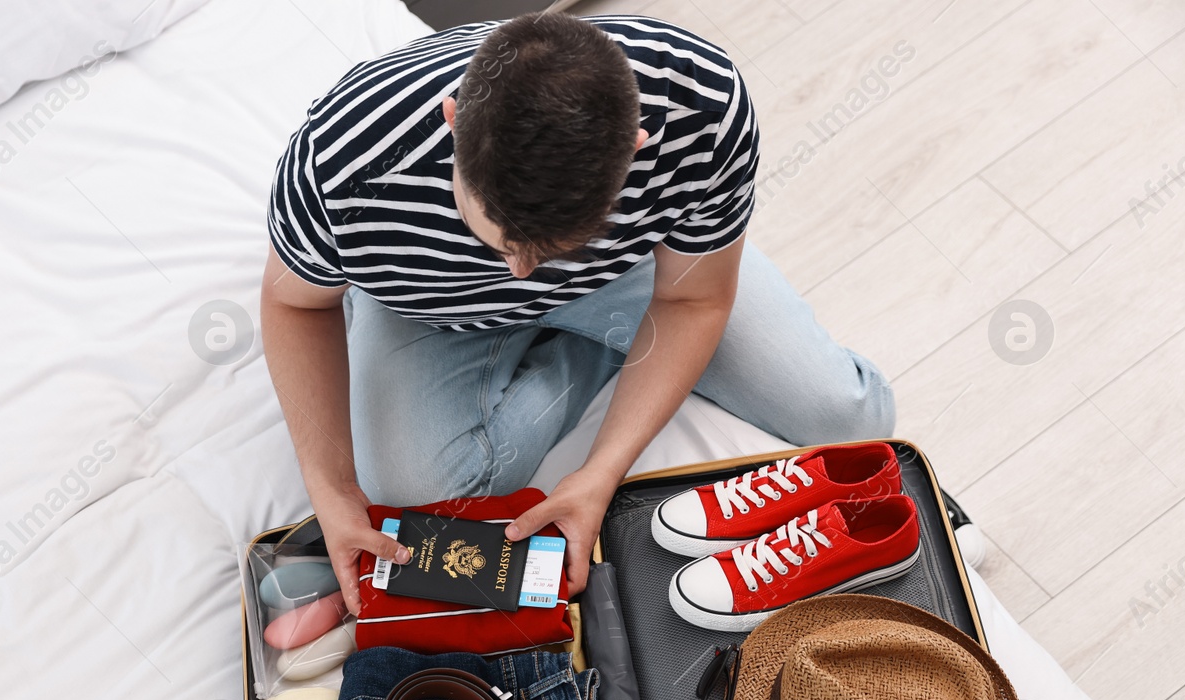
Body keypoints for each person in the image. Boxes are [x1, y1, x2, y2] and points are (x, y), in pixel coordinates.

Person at [260, 13, 895, 616]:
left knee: (849, 417)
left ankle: (619, 332)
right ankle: (608, 348)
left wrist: (602, 470)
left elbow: (691, 298)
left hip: (638, 276)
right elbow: (292, 306)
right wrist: (334, 490)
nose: (520, 274)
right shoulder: (344, 160)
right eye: (500, 239)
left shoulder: (701, 103)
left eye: (552, 248)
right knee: (415, 495)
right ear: (453, 122)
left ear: (635, 149)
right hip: (430, 312)